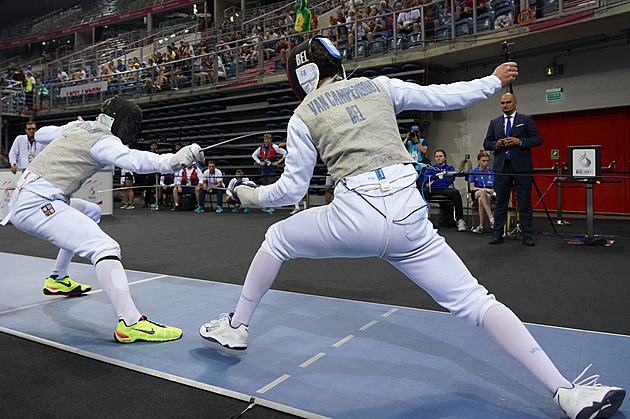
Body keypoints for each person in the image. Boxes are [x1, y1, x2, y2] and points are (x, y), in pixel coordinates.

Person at [198, 36, 625, 419]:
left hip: (353, 218)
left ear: (303, 75)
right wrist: (492, 82)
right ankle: (568, 393)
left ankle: (237, 327)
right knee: (477, 301)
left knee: (276, 238)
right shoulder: (379, 85)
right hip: (409, 218)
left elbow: (289, 192)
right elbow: (443, 96)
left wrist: (245, 193)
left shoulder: (302, 115)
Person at [1, 96, 204, 342]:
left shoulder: (80, 126)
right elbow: (133, 160)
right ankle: (130, 323)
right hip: (38, 204)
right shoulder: (103, 140)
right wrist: (173, 160)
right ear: (120, 121)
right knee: (105, 247)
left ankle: (58, 278)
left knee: (91, 212)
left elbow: (42, 134)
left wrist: (69, 127)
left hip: (29, 198)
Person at [483, 93, 542, 246]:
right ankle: (497, 234)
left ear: (515, 103)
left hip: (521, 167)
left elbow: (537, 140)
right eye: (502, 103)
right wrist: (498, 143)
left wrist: (520, 141)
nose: (505, 105)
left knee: (524, 202)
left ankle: (527, 234)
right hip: (502, 167)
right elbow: (487, 143)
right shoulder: (494, 122)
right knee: (501, 202)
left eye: (508, 102)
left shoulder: (526, 120)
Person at [423, 150, 467, 231]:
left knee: (455, 193)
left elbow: (451, 179)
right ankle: (422, 221)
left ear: (445, 158)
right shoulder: (430, 168)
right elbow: (426, 179)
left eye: (440, 156)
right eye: (436, 156)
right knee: (422, 192)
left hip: (445, 189)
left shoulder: (450, 168)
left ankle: (460, 220)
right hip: (433, 189)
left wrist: (435, 179)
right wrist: (441, 178)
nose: (438, 158)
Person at [251, 133, 286, 213]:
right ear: (264, 140)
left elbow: (285, 153)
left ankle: (272, 204)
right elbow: (253, 155)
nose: (267, 141)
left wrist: (278, 162)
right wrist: (259, 162)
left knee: (271, 185)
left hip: (272, 167)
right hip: (264, 167)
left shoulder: (275, 147)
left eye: (268, 139)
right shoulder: (261, 148)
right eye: (266, 139)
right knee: (264, 186)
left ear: (271, 140)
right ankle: (266, 205)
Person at [468, 151, 495, 234]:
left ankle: (481, 226)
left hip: (489, 194)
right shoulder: (473, 171)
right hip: (476, 192)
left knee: (481, 200)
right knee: (482, 192)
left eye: (487, 161)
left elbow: (495, 186)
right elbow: (472, 188)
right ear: (478, 161)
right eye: (483, 161)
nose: (486, 163)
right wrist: (485, 189)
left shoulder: (492, 171)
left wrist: (488, 191)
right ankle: (491, 218)